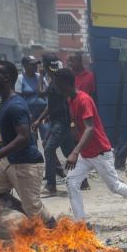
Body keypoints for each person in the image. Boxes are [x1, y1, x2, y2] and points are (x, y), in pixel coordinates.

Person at [54, 69, 127, 223]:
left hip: (100, 152)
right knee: (71, 182)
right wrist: (73, 130)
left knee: (114, 186)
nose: (55, 87)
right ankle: (81, 223)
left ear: (66, 84)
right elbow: (76, 122)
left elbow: (90, 128)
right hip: (86, 154)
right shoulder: (70, 99)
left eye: (57, 84)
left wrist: (74, 151)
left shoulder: (83, 99)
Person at [0, 60, 54, 225]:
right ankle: (25, 216)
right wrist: (2, 139)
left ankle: (63, 238)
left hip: (26, 164)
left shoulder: (15, 104)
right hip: (9, 161)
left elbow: (23, 137)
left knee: (35, 210)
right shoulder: (4, 101)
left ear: (6, 78)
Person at [32, 54, 75, 196]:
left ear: (45, 65)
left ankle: (51, 185)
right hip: (61, 122)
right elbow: (51, 104)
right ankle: (82, 180)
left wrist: (40, 76)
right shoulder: (55, 79)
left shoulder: (56, 80)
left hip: (60, 123)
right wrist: (41, 119)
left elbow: (40, 93)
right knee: (67, 151)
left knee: (49, 149)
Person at [15, 56, 47, 131]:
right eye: (32, 64)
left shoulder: (40, 76)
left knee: (46, 136)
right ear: (25, 66)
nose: (35, 66)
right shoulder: (20, 78)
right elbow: (19, 99)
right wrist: (28, 113)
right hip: (29, 114)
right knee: (32, 136)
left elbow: (47, 92)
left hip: (43, 113)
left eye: (36, 64)